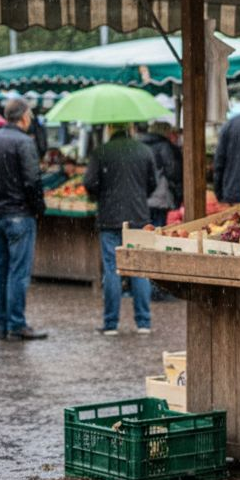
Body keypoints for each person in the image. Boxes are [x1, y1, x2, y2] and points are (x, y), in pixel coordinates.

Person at [0, 99, 48, 341]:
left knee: (2, 270)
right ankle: (17, 323)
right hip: (20, 213)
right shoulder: (24, 143)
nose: (30, 119)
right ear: (23, 117)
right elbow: (32, 181)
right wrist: (38, 207)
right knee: (18, 272)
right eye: (29, 114)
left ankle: (3, 323)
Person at [84, 124, 157, 336]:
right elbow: (152, 183)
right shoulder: (144, 151)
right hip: (138, 216)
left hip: (109, 218)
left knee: (112, 268)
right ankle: (143, 322)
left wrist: (102, 193)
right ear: (131, 127)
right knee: (139, 269)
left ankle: (111, 324)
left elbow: (89, 182)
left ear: (111, 127)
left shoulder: (102, 151)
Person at [139, 122, 182, 228]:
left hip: (141, 198)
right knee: (158, 232)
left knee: (143, 231)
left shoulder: (139, 146)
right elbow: (173, 172)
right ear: (166, 132)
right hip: (160, 197)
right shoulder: (166, 147)